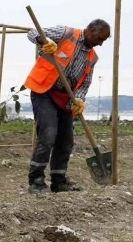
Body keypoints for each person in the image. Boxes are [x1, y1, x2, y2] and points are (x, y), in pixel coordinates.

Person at [23, 20, 111, 194]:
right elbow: (32, 33)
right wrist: (45, 42)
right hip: (44, 91)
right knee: (48, 135)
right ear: (91, 30)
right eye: (100, 38)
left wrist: (78, 99)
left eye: (104, 41)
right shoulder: (65, 33)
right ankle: (36, 181)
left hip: (65, 97)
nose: (100, 43)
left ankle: (59, 181)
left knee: (66, 140)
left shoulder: (92, 57)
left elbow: (85, 83)